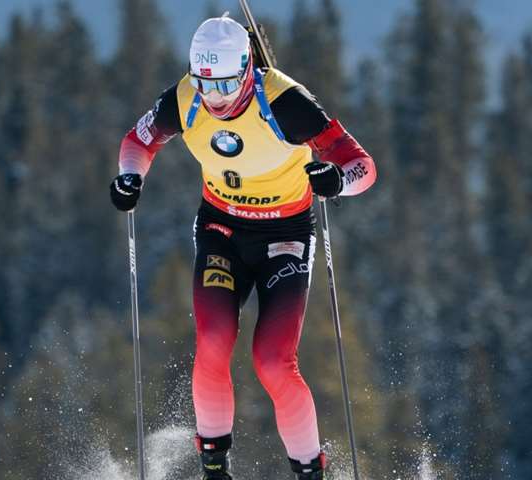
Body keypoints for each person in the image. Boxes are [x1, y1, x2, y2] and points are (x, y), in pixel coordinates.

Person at [109, 14, 376, 480]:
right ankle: (214, 467)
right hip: (222, 233)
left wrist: (336, 181)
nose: (214, 99)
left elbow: (362, 166)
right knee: (212, 342)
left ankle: (309, 471)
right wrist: (131, 176)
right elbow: (139, 141)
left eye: (227, 86)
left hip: (285, 237)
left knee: (273, 362)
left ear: (248, 70)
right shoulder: (187, 97)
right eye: (205, 85)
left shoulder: (287, 103)